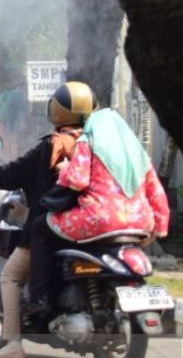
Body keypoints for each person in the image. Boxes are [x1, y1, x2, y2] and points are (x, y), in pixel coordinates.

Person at [25, 83, 172, 323]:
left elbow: (77, 180)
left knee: (41, 226)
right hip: (140, 223)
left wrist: (64, 169)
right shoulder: (136, 151)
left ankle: (39, 299)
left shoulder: (89, 140)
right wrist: (160, 227)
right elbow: (156, 191)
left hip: (100, 219)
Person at [0, 81, 90, 358]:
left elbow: (16, 171)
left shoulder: (51, 146)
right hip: (92, 225)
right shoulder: (94, 145)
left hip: (55, 225)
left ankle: (13, 343)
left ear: (56, 111)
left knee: (11, 276)